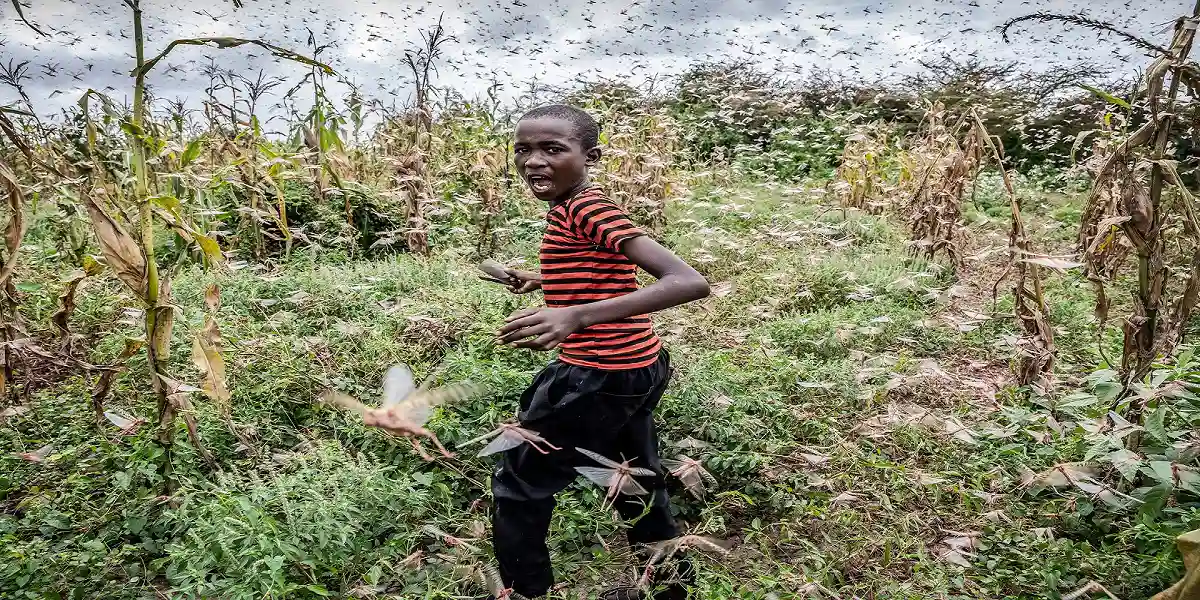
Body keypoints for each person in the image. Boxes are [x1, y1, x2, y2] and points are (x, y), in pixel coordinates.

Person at [367, 104, 710, 599]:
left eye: (553, 148)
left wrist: (576, 316)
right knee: (634, 474)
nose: (533, 161)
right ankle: (669, 586)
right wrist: (544, 280)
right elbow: (601, 269)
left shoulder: (588, 208)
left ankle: (524, 592)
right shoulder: (572, 211)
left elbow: (688, 282)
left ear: (589, 156)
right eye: (523, 150)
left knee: (519, 486)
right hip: (637, 366)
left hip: (593, 376)